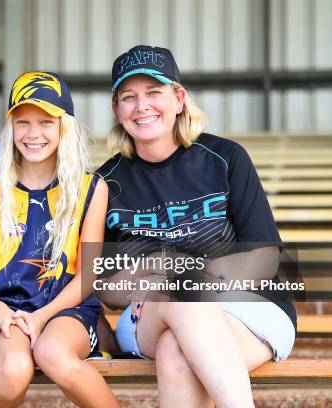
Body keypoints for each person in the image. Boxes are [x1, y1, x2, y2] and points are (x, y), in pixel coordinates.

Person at [96, 45, 296, 407]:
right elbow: (106, 289)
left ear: (178, 98)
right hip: (147, 318)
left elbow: (263, 258)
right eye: (129, 97)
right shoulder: (105, 183)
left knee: (177, 349)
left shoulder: (225, 158)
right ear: (116, 109)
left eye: (154, 92)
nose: (142, 106)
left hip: (250, 307)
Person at [0, 71, 118, 407]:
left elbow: (88, 277)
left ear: (64, 127)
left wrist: (42, 315)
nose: (33, 133)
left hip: (70, 308)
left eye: (46, 122)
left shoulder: (89, 189)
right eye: (23, 123)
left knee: (52, 352)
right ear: (11, 129)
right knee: (11, 368)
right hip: (13, 311)